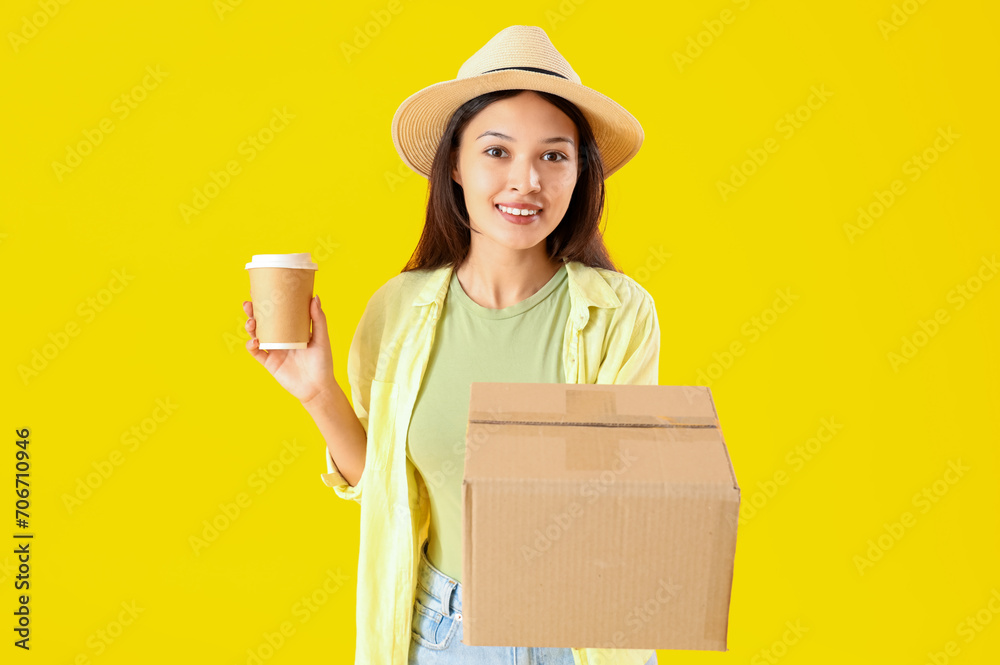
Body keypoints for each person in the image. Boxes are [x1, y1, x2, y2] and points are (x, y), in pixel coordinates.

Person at [243, 25, 659, 665]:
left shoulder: (617, 312)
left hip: (575, 630)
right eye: (497, 151)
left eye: (554, 156)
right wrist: (317, 392)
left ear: (579, 174)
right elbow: (382, 487)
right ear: (456, 166)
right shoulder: (399, 310)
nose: (526, 182)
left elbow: (625, 496)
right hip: (442, 631)